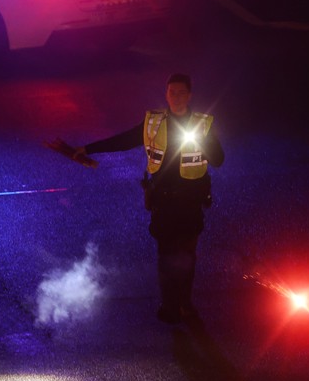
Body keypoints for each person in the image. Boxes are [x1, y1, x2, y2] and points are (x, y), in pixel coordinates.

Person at [73, 73, 224, 324]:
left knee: (187, 255)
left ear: (189, 95)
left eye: (181, 93)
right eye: (171, 92)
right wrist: (88, 149)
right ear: (166, 95)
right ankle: (169, 305)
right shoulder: (153, 123)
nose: (176, 97)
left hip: (190, 202)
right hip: (163, 202)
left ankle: (185, 304)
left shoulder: (202, 125)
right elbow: (123, 140)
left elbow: (218, 159)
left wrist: (203, 141)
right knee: (165, 255)